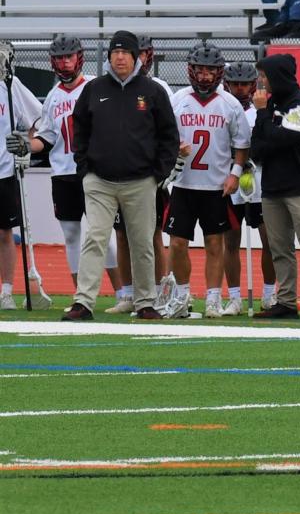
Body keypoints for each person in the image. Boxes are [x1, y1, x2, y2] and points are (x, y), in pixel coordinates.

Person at [60, 31, 179, 321]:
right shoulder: (94, 88)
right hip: (99, 180)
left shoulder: (153, 91)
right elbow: (80, 129)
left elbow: (169, 136)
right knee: (95, 238)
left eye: (126, 52)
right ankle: (84, 301)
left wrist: (158, 174)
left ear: (138, 56)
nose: (120, 57)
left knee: (142, 241)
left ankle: (145, 302)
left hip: (141, 181)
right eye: (115, 52)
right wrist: (84, 167)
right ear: (109, 56)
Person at [15, 36, 123, 298]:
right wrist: (27, 146)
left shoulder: (96, 88)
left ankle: (123, 291)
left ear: (79, 58)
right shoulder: (52, 96)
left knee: (102, 236)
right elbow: (47, 138)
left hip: (93, 172)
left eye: (69, 57)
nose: (64, 62)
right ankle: (81, 295)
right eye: (60, 58)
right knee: (72, 235)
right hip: (63, 173)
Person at [164, 43, 250, 319]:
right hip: (183, 183)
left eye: (210, 71)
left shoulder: (230, 103)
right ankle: (182, 295)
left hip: (215, 187)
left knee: (215, 244)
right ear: (190, 71)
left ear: (219, 72)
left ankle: (213, 299)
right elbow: (165, 136)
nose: (203, 76)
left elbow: (242, 144)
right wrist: (174, 150)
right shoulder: (178, 99)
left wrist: (235, 174)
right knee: (177, 243)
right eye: (199, 70)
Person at [250, 53, 300, 319]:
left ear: (277, 76)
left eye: (264, 76)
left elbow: (280, 138)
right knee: (280, 249)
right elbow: (257, 148)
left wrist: (264, 117)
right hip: (273, 188)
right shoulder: (270, 103)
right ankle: (286, 301)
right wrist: (266, 126)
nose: (260, 81)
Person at [107, 34, 174, 314]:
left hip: (147, 177)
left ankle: (157, 291)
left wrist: (160, 171)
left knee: (152, 236)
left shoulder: (159, 87)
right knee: (121, 235)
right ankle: (127, 293)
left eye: (144, 53)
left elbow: (169, 130)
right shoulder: (109, 87)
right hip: (117, 175)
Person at [222, 61, 277, 314]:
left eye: (245, 84)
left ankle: (268, 294)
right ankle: (234, 297)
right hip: (231, 183)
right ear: (228, 84)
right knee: (230, 242)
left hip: (261, 183)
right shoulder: (223, 106)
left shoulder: (263, 109)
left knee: (270, 241)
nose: (241, 89)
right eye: (236, 84)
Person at [0, 44, 42, 311]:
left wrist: (27, 144)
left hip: (3, 169)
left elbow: (39, 119)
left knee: (5, 232)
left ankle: (5, 292)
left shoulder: (10, 85)